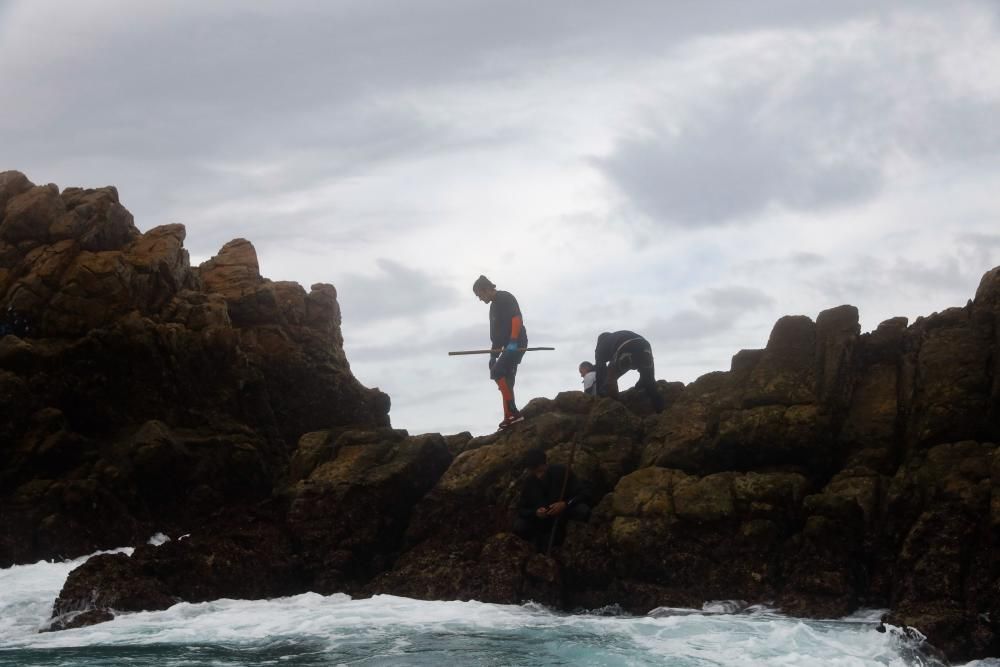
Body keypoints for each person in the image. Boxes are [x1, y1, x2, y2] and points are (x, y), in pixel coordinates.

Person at [472, 275, 528, 430]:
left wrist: (513, 341)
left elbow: (517, 318)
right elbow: (497, 336)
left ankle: (514, 412)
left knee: (497, 372)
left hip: (516, 343)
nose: (480, 299)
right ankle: (509, 416)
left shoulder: (504, 297)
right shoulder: (493, 307)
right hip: (506, 346)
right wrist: (492, 356)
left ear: (486, 289)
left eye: (479, 295)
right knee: (507, 379)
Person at [514, 448, 590, 552]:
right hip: (542, 522)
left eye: (541, 471)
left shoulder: (562, 472)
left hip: (565, 513)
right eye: (534, 472)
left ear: (546, 463)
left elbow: (583, 493)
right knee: (520, 526)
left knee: (582, 510)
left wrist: (565, 504)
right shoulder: (529, 483)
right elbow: (521, 509)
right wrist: (535, 513)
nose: (539, 476)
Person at [594, 330, 664, 412]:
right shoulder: (617, 336)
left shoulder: (600, 347)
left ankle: (616, 408)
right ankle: (661, 411)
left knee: (608, 383)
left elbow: (600, 370)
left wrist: (599, 394)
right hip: (644, 345)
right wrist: (644, 379)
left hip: (625, 348)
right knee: (650, 381)